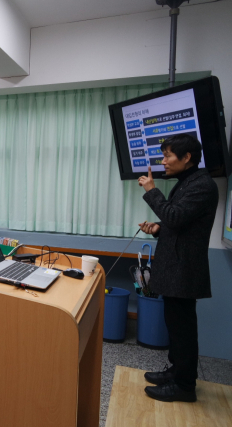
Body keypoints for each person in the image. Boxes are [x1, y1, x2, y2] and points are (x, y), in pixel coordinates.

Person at [137, 133, 218, 403]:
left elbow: (174, 214)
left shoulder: (202, 185)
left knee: (183, 328)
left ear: (187, 158)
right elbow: (177, 223)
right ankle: (176, 371)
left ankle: (184, 386)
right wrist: (159, 229)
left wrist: (151, 190)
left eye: (168, 156)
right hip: (175, 266)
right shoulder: (186, 182)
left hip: (184, 269)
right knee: (175, 325)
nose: (164, 162)